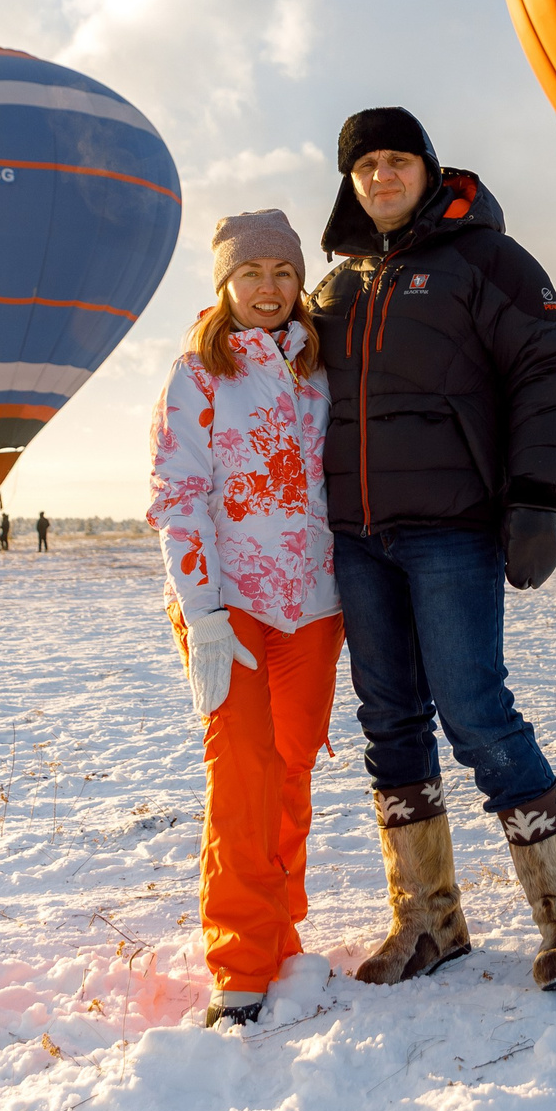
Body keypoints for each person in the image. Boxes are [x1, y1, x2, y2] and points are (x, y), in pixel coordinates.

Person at [310, 107, 556, 994]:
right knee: (388, 721)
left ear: (428, 167)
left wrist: (534, 498)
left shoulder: (487, 262)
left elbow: (548, 367)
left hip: (450, 527)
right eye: (365, 167)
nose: (381, 178)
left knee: (476, 712)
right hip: (357, 535)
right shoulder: (339, 286)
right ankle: (429, 919)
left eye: (397, 160)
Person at [147, 210, 343, 1029]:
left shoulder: (319, 369)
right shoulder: (199, 372)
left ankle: (283, 931)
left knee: (293, 766)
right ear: (224, 283)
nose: (268, 288)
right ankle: (240, 962)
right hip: (232, 608)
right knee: (242, 776)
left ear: (300, 282)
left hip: (314, 602)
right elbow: (177, 495)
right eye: (251, 272)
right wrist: (206, 613)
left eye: (283, 272)